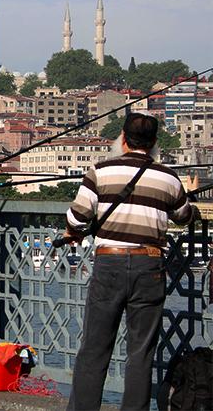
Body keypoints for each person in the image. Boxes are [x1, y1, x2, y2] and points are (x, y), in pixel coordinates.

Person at [64, 113, 197, 411]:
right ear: (154, 144)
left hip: (109, 265)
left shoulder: (99, 171)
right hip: (149, 267)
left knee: (95, 349)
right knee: (141, 351)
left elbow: (76, 217)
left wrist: (73, 230)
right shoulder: (168, 176)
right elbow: (184, 215)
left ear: (122, 139)